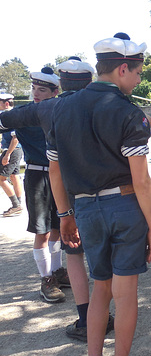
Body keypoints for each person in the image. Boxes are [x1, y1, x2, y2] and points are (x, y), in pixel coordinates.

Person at [47, 32, 151, 356]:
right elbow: (141, 180)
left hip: (85, 208)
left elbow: (56, 172)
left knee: (100, 290)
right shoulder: (128, 112)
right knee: (125, 296)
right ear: (123, 68)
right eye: (138, 72)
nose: (139, 80)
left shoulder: (62, 108)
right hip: (125, 206)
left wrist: (65, 215)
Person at [1, 57, 112, 340]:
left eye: (42, 88)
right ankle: (103, 315)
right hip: (97, 190)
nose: (37, 92)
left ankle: (87, 319)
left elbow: (6, 118)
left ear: (59, 85)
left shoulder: (47, 109)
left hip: (63, 186)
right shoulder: (108, 104)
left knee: (72, 247)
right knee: (98, 252)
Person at [0, 67, 67, 303]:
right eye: (33, 89)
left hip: (61, 176)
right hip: (38, 175)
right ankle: (46, 278)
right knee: (42, 230)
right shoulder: (23, 114)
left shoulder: (62, 110)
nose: (36, 94)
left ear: (55, 91)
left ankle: (58, 271)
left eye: (41, 90)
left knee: (59, 226)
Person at [0, 92, 24, 216]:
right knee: (14, 176)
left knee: (1, 179)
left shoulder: (10, 116)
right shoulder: (13, 114)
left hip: (12, 150)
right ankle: (18, 205)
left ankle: (16, 205)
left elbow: (15, 137)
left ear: (6, 103)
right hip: (15, 150)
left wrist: (7, 154)